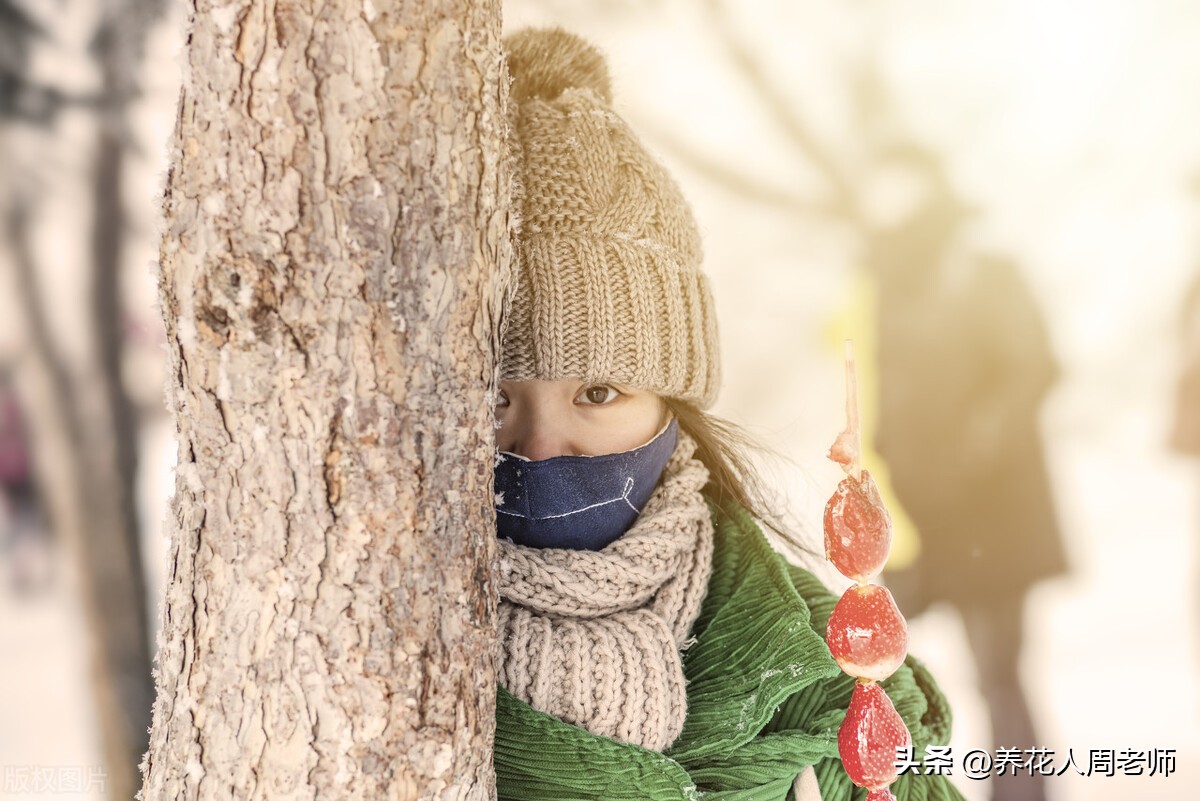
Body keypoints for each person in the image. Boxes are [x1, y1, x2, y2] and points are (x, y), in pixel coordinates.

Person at [490, 29, 964, 801]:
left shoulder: (833, 678)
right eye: (495, 398)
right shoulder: (349, 652)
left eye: (599, 392)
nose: (540, 446)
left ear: (673, 400)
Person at [868, 145, 1066, 801]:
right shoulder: (885, 280)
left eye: (903, 183)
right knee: (889, 669)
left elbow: (1034, 364)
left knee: (996, 671)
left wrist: (978, 444)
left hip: (991, 513)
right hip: (919, 512)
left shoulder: (983, 271)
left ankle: (1022, 794)